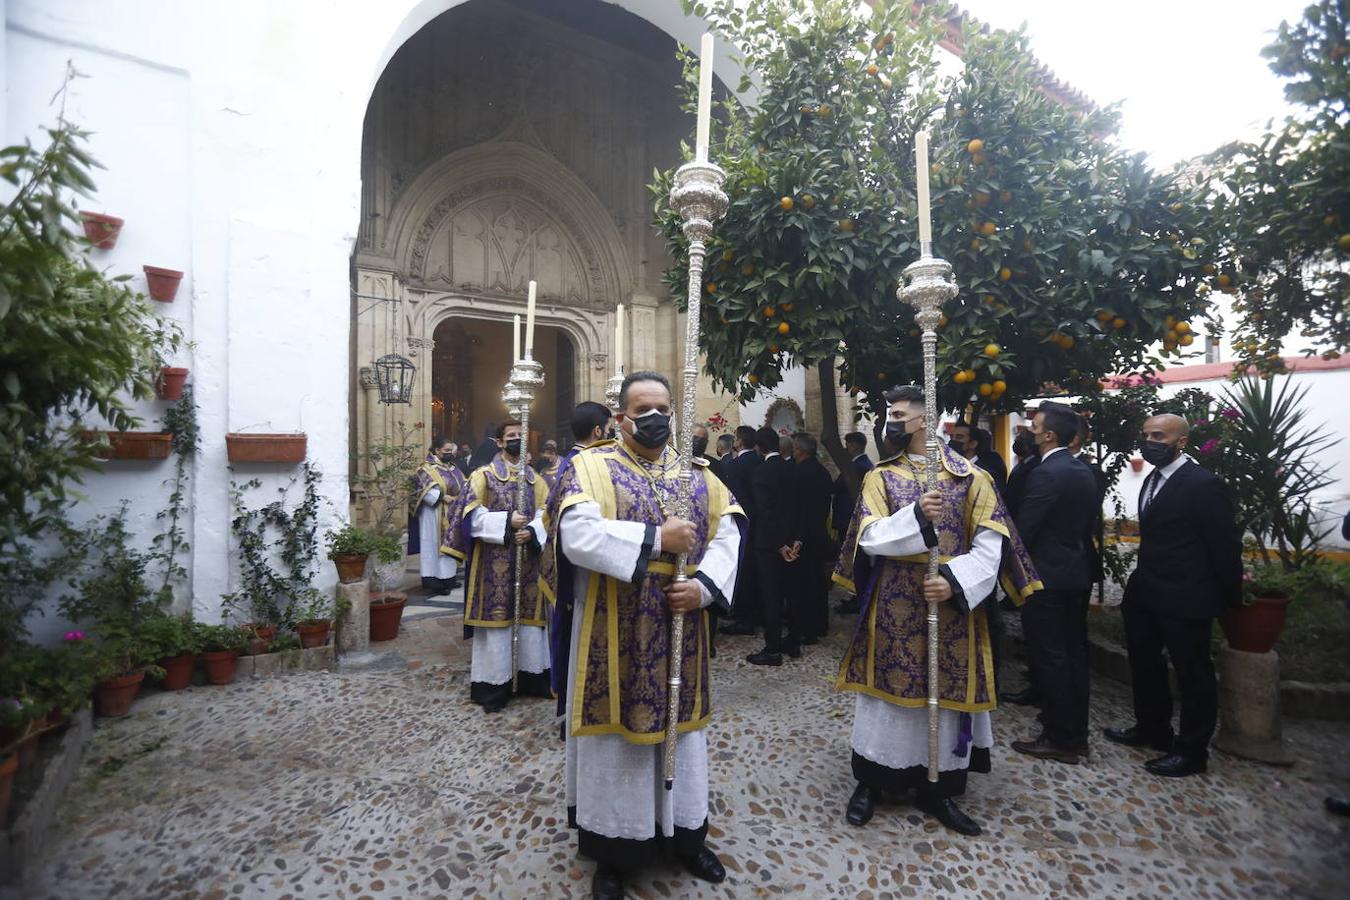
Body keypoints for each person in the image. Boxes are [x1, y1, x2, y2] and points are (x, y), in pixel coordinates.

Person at [542, 371, 744, 900]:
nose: (654, 418)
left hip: (683, 623)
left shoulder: (700, 474)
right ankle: (615, 850)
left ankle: (687, 835)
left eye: (662, 408)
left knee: (684, 732)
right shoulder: (590, 467)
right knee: (617, 739)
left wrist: (702, 588)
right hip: (613, 626)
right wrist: (658, 539)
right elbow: (577, 536)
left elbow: (730, 534)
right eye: (642, 409)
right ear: (621, 417)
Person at [834, 386, 1039, 837]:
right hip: (894, 601)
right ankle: (871, 780)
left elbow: (991, 546)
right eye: (890, 412)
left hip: (949, 606)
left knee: (944, 695)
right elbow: (868, 538)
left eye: (898, 414)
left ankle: (939, 787)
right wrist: (915, 517)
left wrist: (953, 581)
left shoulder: (972, 479)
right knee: (885, 692)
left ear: (923, 421)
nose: (891, 421)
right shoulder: (880, 477)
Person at [1103, 413, 1242, 777]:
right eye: (1146, 434)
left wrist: (1229, 598)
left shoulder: (1203, 484)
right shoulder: (1152, 478)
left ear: (1181, 442)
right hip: (1147, 591)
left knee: (1193, 673)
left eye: (1159, 435)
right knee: (1144, 664)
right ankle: (1152, 728)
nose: (1150, 441)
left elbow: (1224, 545)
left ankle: (1192, 751)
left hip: (1187, 596)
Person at [1010, 402, 1098, 764]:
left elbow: (1025, 530)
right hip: (1075, 571)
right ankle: (1072, 728)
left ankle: (1063, 738)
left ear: (1049, 436)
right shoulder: (1080, 470)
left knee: (1052, 658)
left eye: (1035, 426)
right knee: (1073, 655)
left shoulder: (1047, 474)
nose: (1029, 430)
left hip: (1046, 577)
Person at [443, 421, 550, 713]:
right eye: (511, 437)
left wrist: (532, 530)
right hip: (493, 564)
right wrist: (505, 522)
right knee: (497, 625)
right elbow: (469, 515)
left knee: (529, 621)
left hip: (527, 563)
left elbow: (547, 513)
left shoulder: (535, 480)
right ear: (500, 442)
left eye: (521, 436)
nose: (516, 440)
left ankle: (531, 678)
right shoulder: (483, 476)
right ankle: (494, 685)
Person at [747, 427, 796, 665]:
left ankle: (773, 648)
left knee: (771, 596)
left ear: (759, 447)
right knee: (791, 591)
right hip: (792, 542)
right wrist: (795, 541)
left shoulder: (761, 472)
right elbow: (798, 510)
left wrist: (778, 544)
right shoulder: (792, 468)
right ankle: (793, 641)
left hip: (769, 544)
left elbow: (764, 512)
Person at [786, 432, 834, 643]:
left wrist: (797, 537)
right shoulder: (822, 472)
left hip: (803, 535)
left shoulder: (799, 473)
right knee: (817, 582)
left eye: (795, 448)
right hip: (818, 532)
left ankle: (806, 628)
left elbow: (800, 508)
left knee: (803, 585)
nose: (793, 452)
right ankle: (820, 624)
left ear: (800, 451)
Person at [408, 435, 465, 595]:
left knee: (449, 546)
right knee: (433, 546)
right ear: (437, 450)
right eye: (446, 451)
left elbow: (463, 484)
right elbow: (422, 488)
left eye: (451, 451)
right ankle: (434, 582)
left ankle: (449, 579)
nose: (449, 454)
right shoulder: (425, 469)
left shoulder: (453, 468)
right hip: (433, 514)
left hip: (451, 513)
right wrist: (441, 497)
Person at [720, 425, 762, 636]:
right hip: (759, 522)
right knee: (754, 570)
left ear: (739, 441)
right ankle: (753, 613)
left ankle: (744, 617)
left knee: (743, 571)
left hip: (742, 521)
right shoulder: (759, 461)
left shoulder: (736, 465)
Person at [831, 431, 875, 615]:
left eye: (848, 444)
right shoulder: (857, 464)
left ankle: (859, 597)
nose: (846, 448)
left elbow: (841, 487)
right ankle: (856, 594)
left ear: (855, 445)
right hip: (846, 516)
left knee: (856, 560)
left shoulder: (860, 466)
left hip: (850, 516)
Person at [950, 421, 1008, 496]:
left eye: (959, 437)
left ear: (973, 444)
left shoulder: (987, 474)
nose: (953, 441)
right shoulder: (951, 468)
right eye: (952, 437)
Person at [1003, 429, 1039, 519]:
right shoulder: (1023, 464)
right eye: (1016, 440)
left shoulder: (1033, 467)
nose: (1016, 443)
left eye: (1020, 440)